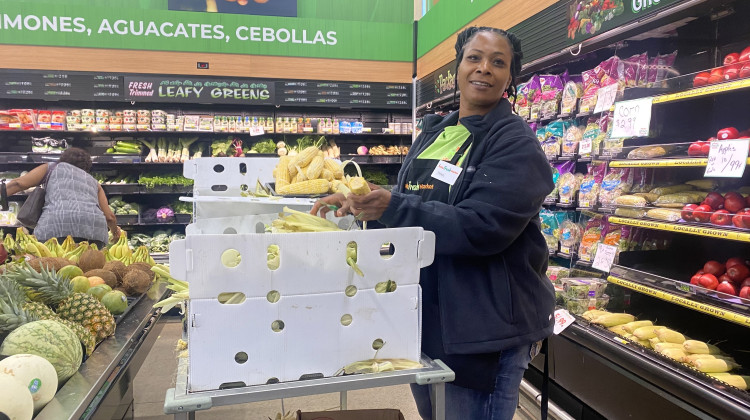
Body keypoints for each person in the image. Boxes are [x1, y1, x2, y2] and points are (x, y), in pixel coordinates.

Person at [311, 26, 555, 420]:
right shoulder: (440, 131)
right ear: (458, 66)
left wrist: (393, 207)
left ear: (511, 78)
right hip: (429, 318)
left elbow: (482, 226)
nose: (484, 69)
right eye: (474, 57)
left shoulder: (515, 143)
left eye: (498, 62)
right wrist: (365, 198)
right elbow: (420, 198)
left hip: (482, 330)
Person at [3, 147, 119, 248]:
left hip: (55, 226)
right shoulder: (94, 183)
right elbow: (110, 217)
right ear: (86, 167)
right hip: (95, 231)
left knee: (54, 266)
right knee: (89, 269)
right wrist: (115, 233)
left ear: (62, 159)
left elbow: (18, 184)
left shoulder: (51, 168)